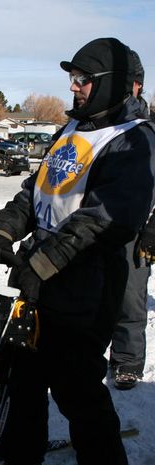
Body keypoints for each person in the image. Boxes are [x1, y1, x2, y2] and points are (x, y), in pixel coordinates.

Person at [0, 38, 155, 465]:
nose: (74, 88)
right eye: (72, 79)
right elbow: (36, 192)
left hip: (90, 279)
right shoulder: (72, 129)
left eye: (83, 80)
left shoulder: (133, 138)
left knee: (74, 381)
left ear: (111, 83)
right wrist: (3, 233)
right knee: (24, 375)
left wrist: (42, 264)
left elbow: (104, 219)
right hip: (47, 269)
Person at [109, 51, 153, 390]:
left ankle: (127, 360)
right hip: (101, 221)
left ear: (136, 86)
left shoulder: (146, 131)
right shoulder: (101, 124)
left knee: (130, 293)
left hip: (138, 230)